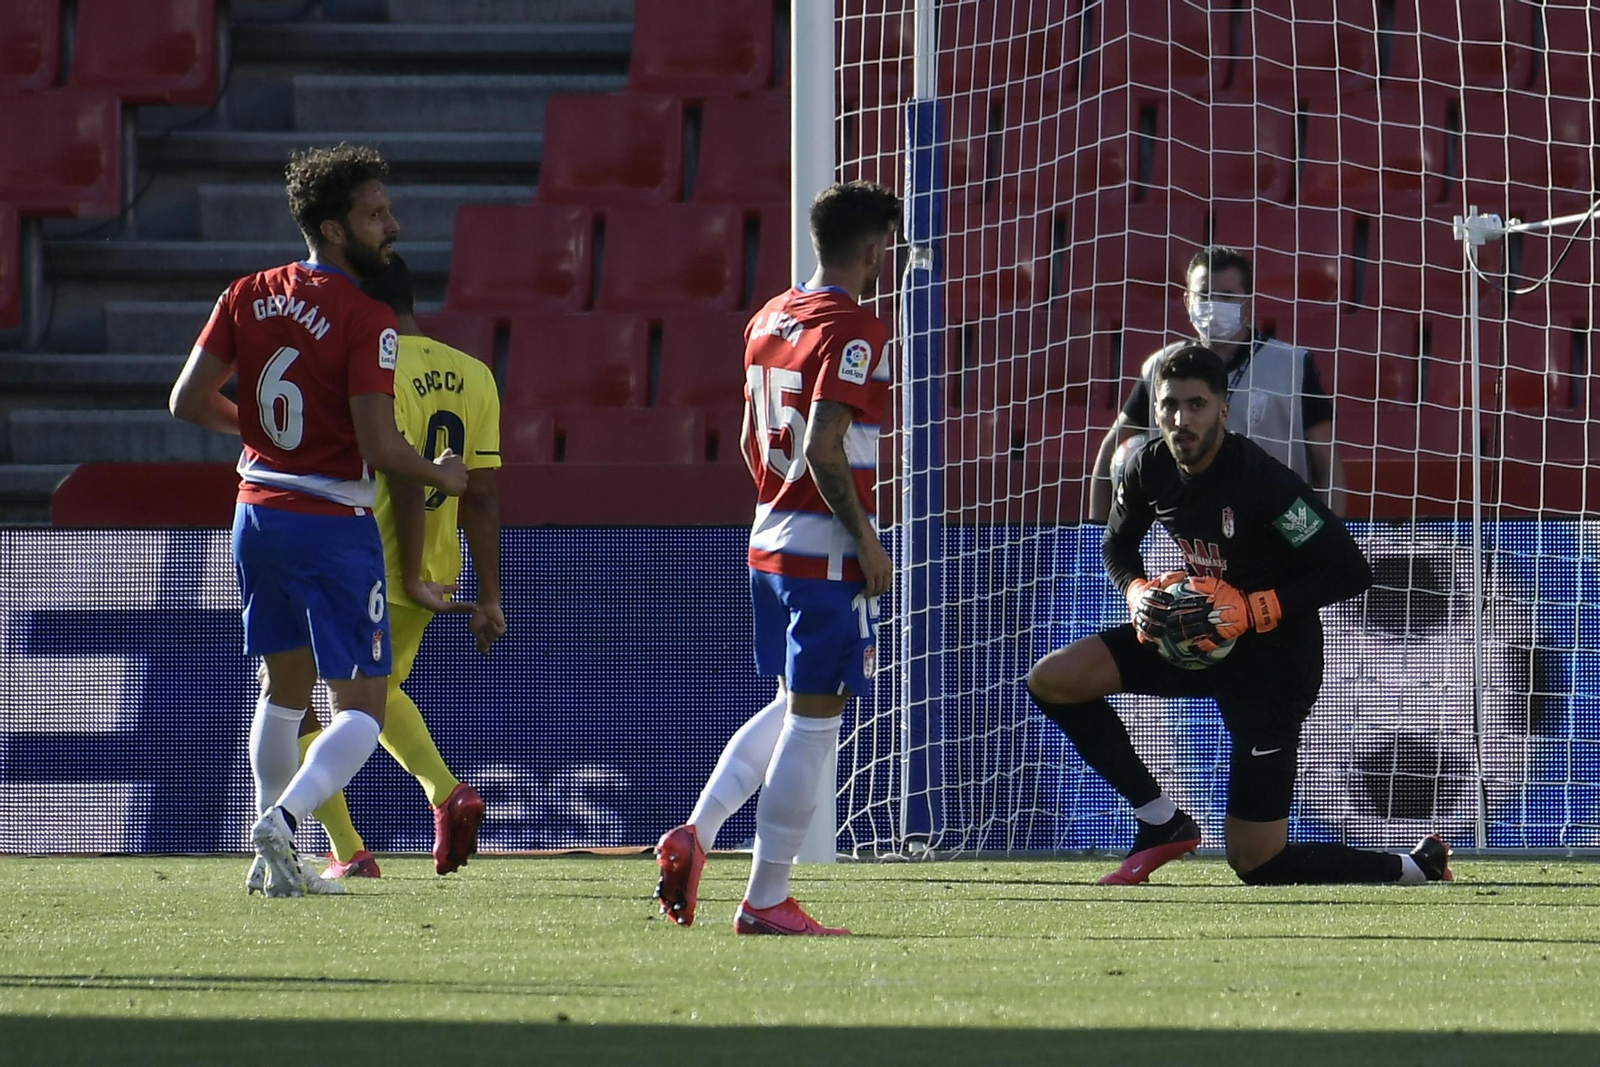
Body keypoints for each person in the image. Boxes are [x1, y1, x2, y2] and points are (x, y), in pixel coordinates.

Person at [1026, 344, 1453, 887]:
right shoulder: (1146, 468)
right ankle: (1161, 822)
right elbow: (1117, 545)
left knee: (1255, 862)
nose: (1182, 419)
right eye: (1170, 405)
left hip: (1275, 665)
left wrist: (1253, 609)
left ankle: (1416, 867)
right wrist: (1134, 592)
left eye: (1197, 405)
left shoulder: (1262, 481)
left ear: (1223, 410)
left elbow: (1349, 570)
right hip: (1195, 634)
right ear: (1155, 410)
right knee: (1054, 680)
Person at [168, 143, 468, 897]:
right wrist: (440, 473)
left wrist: (266, 438)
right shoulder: (368, 318)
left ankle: (275, 856)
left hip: (257, 512)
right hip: (333, 523)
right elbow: (379, 444)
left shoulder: (245, 292)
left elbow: (187, 400)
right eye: (376, 214)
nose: (392, 226)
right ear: (334, 230)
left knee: (282, 691)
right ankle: (284, 818)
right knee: (362, 705)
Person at [653, 180, 901, 935]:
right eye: (888, 245)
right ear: (871, 248)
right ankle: (765, 897)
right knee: (819, 721)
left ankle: (695, 833)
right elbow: (826, 447)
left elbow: (746, 439)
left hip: (766, 536)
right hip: (822, 547)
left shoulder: (769, 314)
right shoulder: (855, 328)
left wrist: (778, 500)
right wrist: (864, 536)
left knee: (791, 705)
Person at [293, 252, 504, 880]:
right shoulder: (475, 374)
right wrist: (489, 594)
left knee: (295, 699)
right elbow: (483, 494)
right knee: (374, 693)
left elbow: (403, 474)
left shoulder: (370, 363)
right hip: (440, 563)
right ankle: (442, 798)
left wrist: (405, 568)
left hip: (370, 559)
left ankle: (352, 848)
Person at [1088, 245, 1345, 522]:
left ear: (1247, 302)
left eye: (1227, 296)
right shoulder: (1161, 366)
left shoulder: (1292, 365)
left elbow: (1326, 464)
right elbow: (1111, 451)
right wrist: (1095, 533)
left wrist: (1333, 542)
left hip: (1276, 526)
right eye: (1205, 295)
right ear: (1188, 302)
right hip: (1185, 532)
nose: (1214, 305)